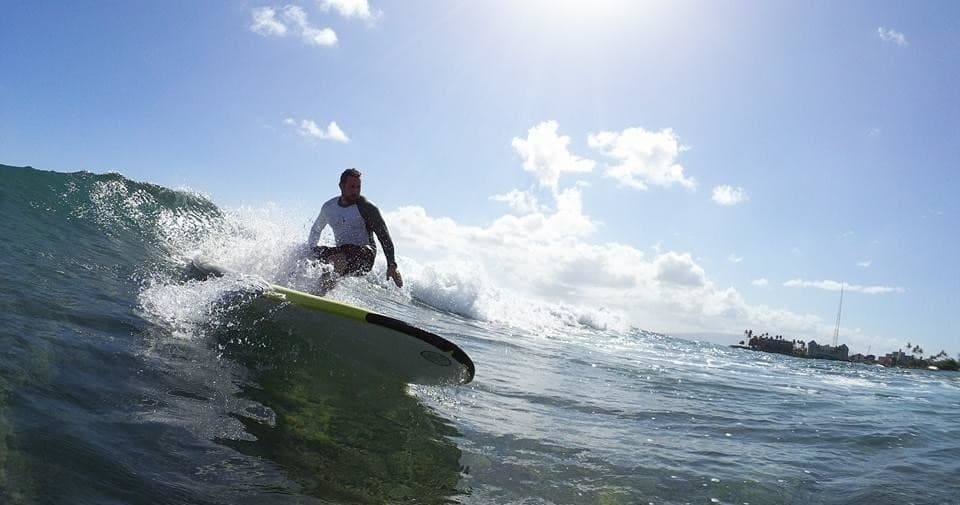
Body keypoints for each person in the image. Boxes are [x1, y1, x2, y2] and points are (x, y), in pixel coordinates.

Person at [307, 168, 403, 291]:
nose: (355, 191)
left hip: (365, 256)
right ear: (341, 186)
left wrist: (392, 265)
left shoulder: (367, 207)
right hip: (342, 251)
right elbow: (316, 230)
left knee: (337, 260)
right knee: (309, 255)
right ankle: (298, 288)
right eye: (352, 187)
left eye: (358, 187)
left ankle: (317, 294)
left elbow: (384, 237)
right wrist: (311, 249)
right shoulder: (329, 207)